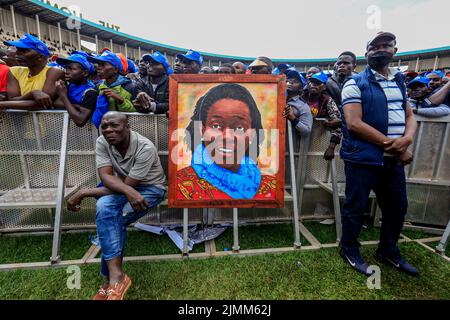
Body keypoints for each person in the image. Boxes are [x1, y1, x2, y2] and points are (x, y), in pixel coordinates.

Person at [340, 32, 418, 276]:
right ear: (366, 54)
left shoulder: (399, 82)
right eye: (375, 47)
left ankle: (388, 250)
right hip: (362, 158)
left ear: (395, 50)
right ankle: (349, 249)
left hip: (393, 159)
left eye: (386, 45)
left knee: (397, 207)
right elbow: (354, 123)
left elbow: (409, 116)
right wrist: (392, 145)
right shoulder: (355, 83)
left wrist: (407, 140)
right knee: (356, 207)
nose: (381, 49)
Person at [67, 111, 167, 300]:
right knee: (105, 208)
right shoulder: (102, 141)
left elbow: (128, 186)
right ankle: (116, 279)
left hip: (151, 189)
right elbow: (106, 177)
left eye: (114, 125)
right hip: (125, 187)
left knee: (112, 219)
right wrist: (128, 192)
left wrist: (84, 192)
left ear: (127, 127)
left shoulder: (145, 147)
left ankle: (109, 280)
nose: (108, 130)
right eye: (104, 126)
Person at [177, 83, 277, 200]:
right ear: (202, 130)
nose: (227, 137)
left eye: (239, 128)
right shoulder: (181, 184)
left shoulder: (270, 186)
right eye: (216, 126)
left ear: (252, 134)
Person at [0, 34, 64, 111]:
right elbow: (12, 99)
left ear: (40, 57)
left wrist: (3, 104)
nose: (17, 53)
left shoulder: (54, 72)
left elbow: (43, 103)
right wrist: (32, 94)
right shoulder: (14, 71)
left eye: (24, 51)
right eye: (18, 49)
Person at [87, 51, 138, 127]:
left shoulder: (130, 86)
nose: (98, 68)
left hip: (127, 131)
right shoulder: (97, 87)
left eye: (103, 65)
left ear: (116, 69)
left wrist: (121, 100)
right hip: (105, 132)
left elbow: (137, 113)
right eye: (98, 64)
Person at [304, 71, 342, 160]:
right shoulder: (301, 97)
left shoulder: (328, 100)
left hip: (319, 140)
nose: (314, 85)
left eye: (318, 83)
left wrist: (331, 147)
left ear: (324, 87)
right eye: (312, 82)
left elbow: (337, 123)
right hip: (301, 139)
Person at [53, 53, 98, 127]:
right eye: (66, 68)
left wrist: (63, 96)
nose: (67, 72)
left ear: (85, 73)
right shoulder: (69, 85)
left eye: (71, 69)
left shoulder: (91, 92)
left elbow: (80, 121)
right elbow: (56, 103)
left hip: (86, 134)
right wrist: (76, 106)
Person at [283, 69, 313, 137]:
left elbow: (307, 131)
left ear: (301, 88)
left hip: (290, 144)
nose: (290, 82)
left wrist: (293, 118)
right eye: (288, 80)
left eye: (295, 81)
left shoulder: (303, 106)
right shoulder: (276, 99)